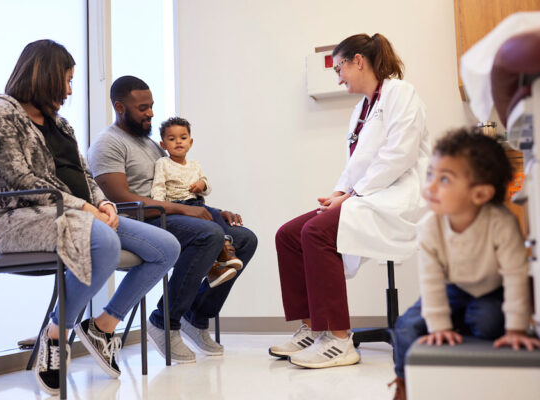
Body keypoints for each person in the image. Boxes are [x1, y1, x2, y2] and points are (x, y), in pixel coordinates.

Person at [0, 40, 180, 395]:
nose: (70, 90)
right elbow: (17, 178)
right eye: (67, 80)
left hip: (79, 214)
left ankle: (103, 325)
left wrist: (103, 204)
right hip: (21, 218)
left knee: (166, 247)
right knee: (101, 240)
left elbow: (84, 176)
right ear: (46, 76)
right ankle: (56, 336)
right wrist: (82, 208)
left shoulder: (62, 125)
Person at [270, 33, 430, 369]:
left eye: (339, 67)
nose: (338, 75)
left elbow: (400, 154)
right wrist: (340, 194)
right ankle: (313, 328)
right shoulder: (361, 108)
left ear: (359, 60)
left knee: (315, 233)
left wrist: (354, 195)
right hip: (367, 193)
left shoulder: (401, 93)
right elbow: (356, 163)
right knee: (287, 234)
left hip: (399, 195)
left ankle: (340, 340)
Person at [87, 76, 258, 364]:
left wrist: (211, 210)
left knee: (243, 238)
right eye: (142, 108)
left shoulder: (151, 145)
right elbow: (118, 199)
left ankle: (197, 316)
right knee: (209, 235)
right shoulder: (109, 144)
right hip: (139, 222)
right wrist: (182, 211)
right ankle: (164, 322)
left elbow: (177, 192)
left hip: (167, 214)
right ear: (119, 107)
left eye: (151, 106)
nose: (151, 113)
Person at [389, 129, 540, 400]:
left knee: (490, 322)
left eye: (444, 179)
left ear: (480, 194)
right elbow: (431, 279)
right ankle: (405, 382)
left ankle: (462, 322)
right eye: (431, 175)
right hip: (453, 289)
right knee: (405, 326)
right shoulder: (430, 227)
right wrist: (439, 327)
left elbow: (516, 276)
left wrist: (516, 328)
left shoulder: (501, 224)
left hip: (492, 290)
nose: (430, 186)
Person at [151, 116, 243, 288]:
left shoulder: (195, 164)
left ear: (190, 142)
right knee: (206, 228)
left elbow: (207, 186)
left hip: (196, 203)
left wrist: (202, 185)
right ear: (163, 145)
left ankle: (226, 251)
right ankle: (219, 260)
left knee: (215, 215)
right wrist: (160, 205)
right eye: (172, 139)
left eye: (183, 138)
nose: (178, 142)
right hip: (178, 205)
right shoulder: (163, 163)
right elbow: (158, 186)